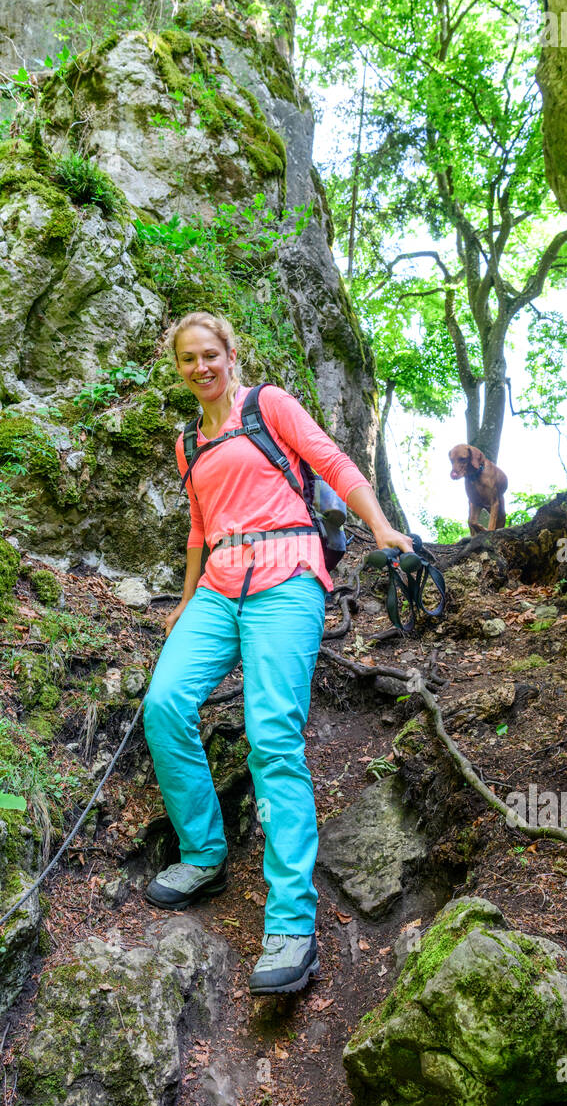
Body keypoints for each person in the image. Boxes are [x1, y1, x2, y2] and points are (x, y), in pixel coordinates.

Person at [142, 311, 415, 994]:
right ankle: (204, 853)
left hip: (287, 577)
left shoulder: (269, 406)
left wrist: (381, 525)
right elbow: (200, 528)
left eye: (211, 354)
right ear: (178, 368)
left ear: (231, 354)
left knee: (271, 737)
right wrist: (183, 600)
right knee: (164, 703)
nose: (201, 366)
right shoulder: (188, 444)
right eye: (188, 359)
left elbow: (331, 460)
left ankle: (291, 923)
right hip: (215, 589)